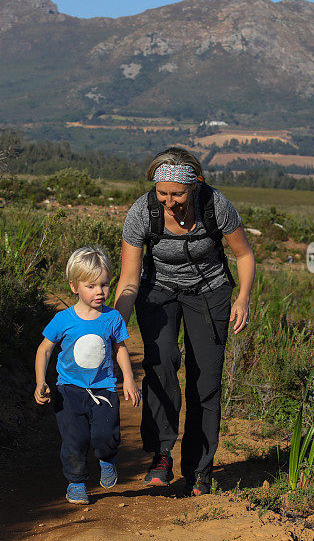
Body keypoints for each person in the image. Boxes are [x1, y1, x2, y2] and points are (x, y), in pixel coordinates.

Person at [113, 147, 255, 496]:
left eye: (177, 194)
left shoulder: (215, 205)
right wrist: (115, 325)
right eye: (163, 193)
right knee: (161, 364)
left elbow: (244, 254)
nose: (169, 201)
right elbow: (129, 280)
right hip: (158, 291)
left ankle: (199, 470)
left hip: (210, 293)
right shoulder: (142, 212)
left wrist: (243, 298)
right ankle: (161, 456)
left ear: (193, 187)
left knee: (205, 379)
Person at [35, 246, 142, 505]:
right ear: (74, 286)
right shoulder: (63, 320)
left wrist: (128, 379)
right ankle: (76, 482)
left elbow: (120, 348)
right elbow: (44, 349)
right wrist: (41, 381)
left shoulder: (113, 318)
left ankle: (107, 459)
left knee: (106, 436)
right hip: (68, 390)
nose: (100, 292)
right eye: (91, 286)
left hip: (103, 389)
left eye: (104, 285)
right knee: (75, 439)